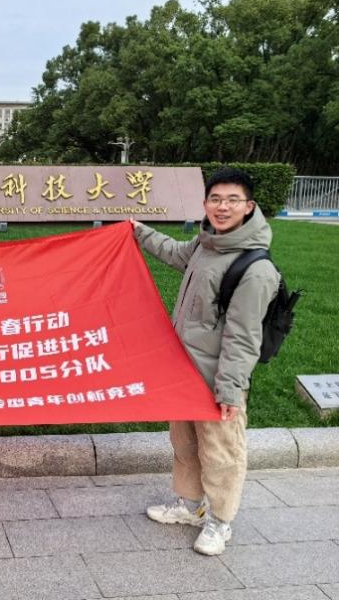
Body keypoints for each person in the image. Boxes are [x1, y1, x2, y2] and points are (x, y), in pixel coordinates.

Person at [130, 167, 279, 556]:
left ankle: (220, 521)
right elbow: (173, 252)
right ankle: (190, 505)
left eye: (232, 200)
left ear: (249, 207)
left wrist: (229, 390)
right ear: (205, 204)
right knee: (184, 442)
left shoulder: (255, 268)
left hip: (217, 378)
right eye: (215, 199)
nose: (222, 207)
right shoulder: (206, 244)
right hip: (183, 370)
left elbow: (243, 336)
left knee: (220, 451)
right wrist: (138, 231)